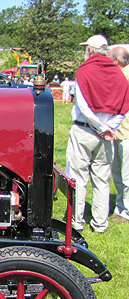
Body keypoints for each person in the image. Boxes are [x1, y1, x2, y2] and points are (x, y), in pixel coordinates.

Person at [65, 35, 129, 233]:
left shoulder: (84, 71)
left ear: (90, 50)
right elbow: (124, 107)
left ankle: (76, 220)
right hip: (108, 134)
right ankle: (100, 223)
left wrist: (97, 126)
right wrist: (109, 127)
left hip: (85, 130)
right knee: (102, 179)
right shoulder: (118, 74)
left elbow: (82, 105)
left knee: (78, 176)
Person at [108, 46, 129, 222]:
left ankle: (125, 210)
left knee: (126, 173)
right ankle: (121, 206)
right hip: (118, 131)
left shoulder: (125, 76)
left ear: (115, 61)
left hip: (126, 132)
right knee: (118, 172)